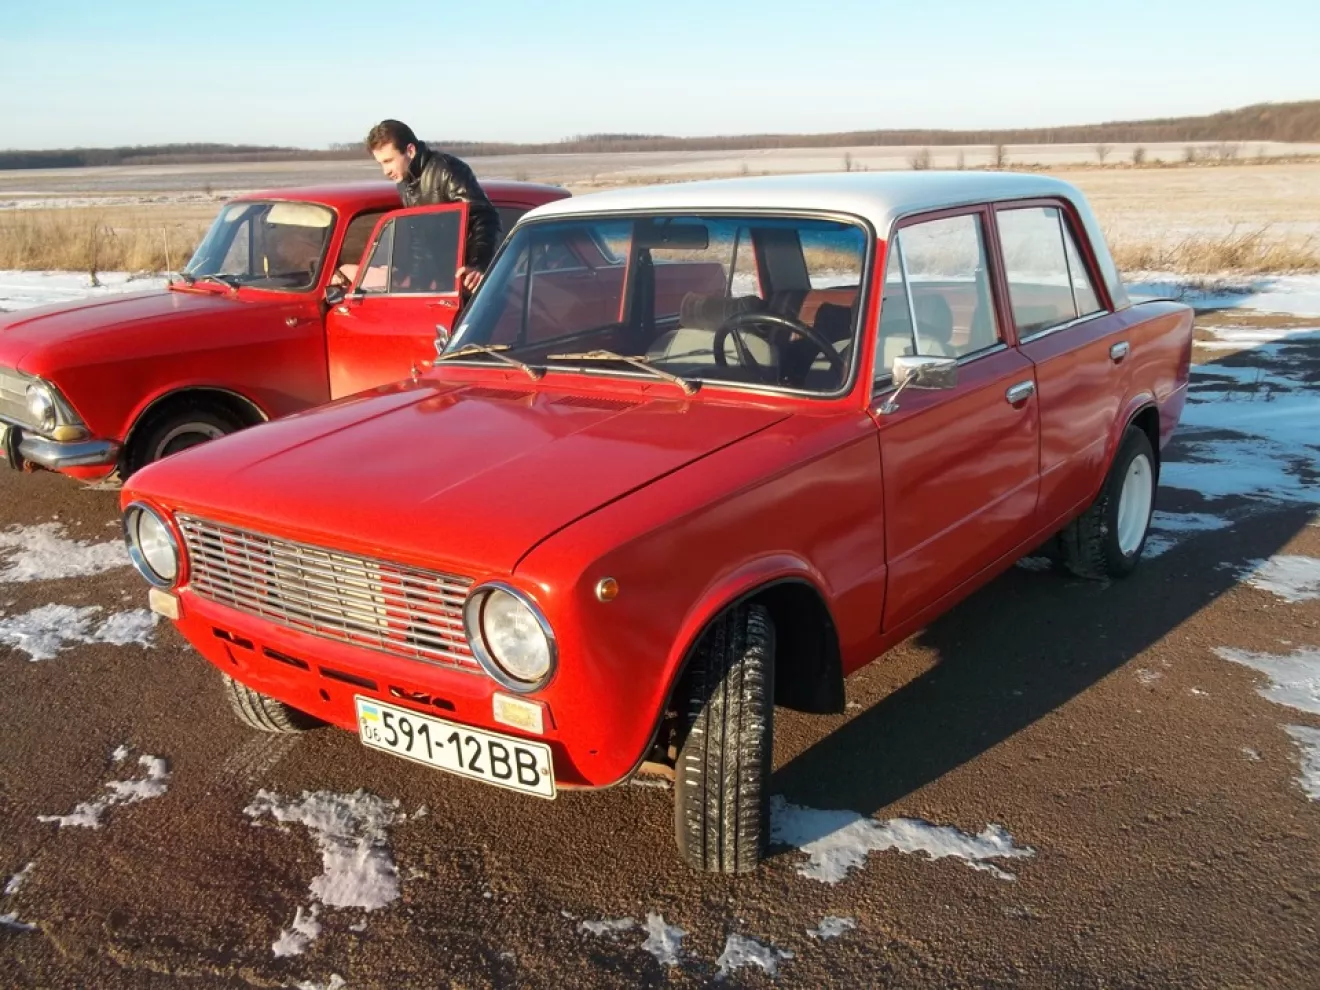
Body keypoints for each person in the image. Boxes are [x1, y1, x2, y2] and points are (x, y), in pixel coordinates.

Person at [365, 119, 501, 294]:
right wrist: (416, 284)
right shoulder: (405, 183)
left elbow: (484, 218)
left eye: (389, 161)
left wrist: (477, 265)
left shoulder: (447, 169)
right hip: (441, 284)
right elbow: (419, 239)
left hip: (467, 283)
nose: (386, 171)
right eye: (381, 163)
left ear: (410, 151)